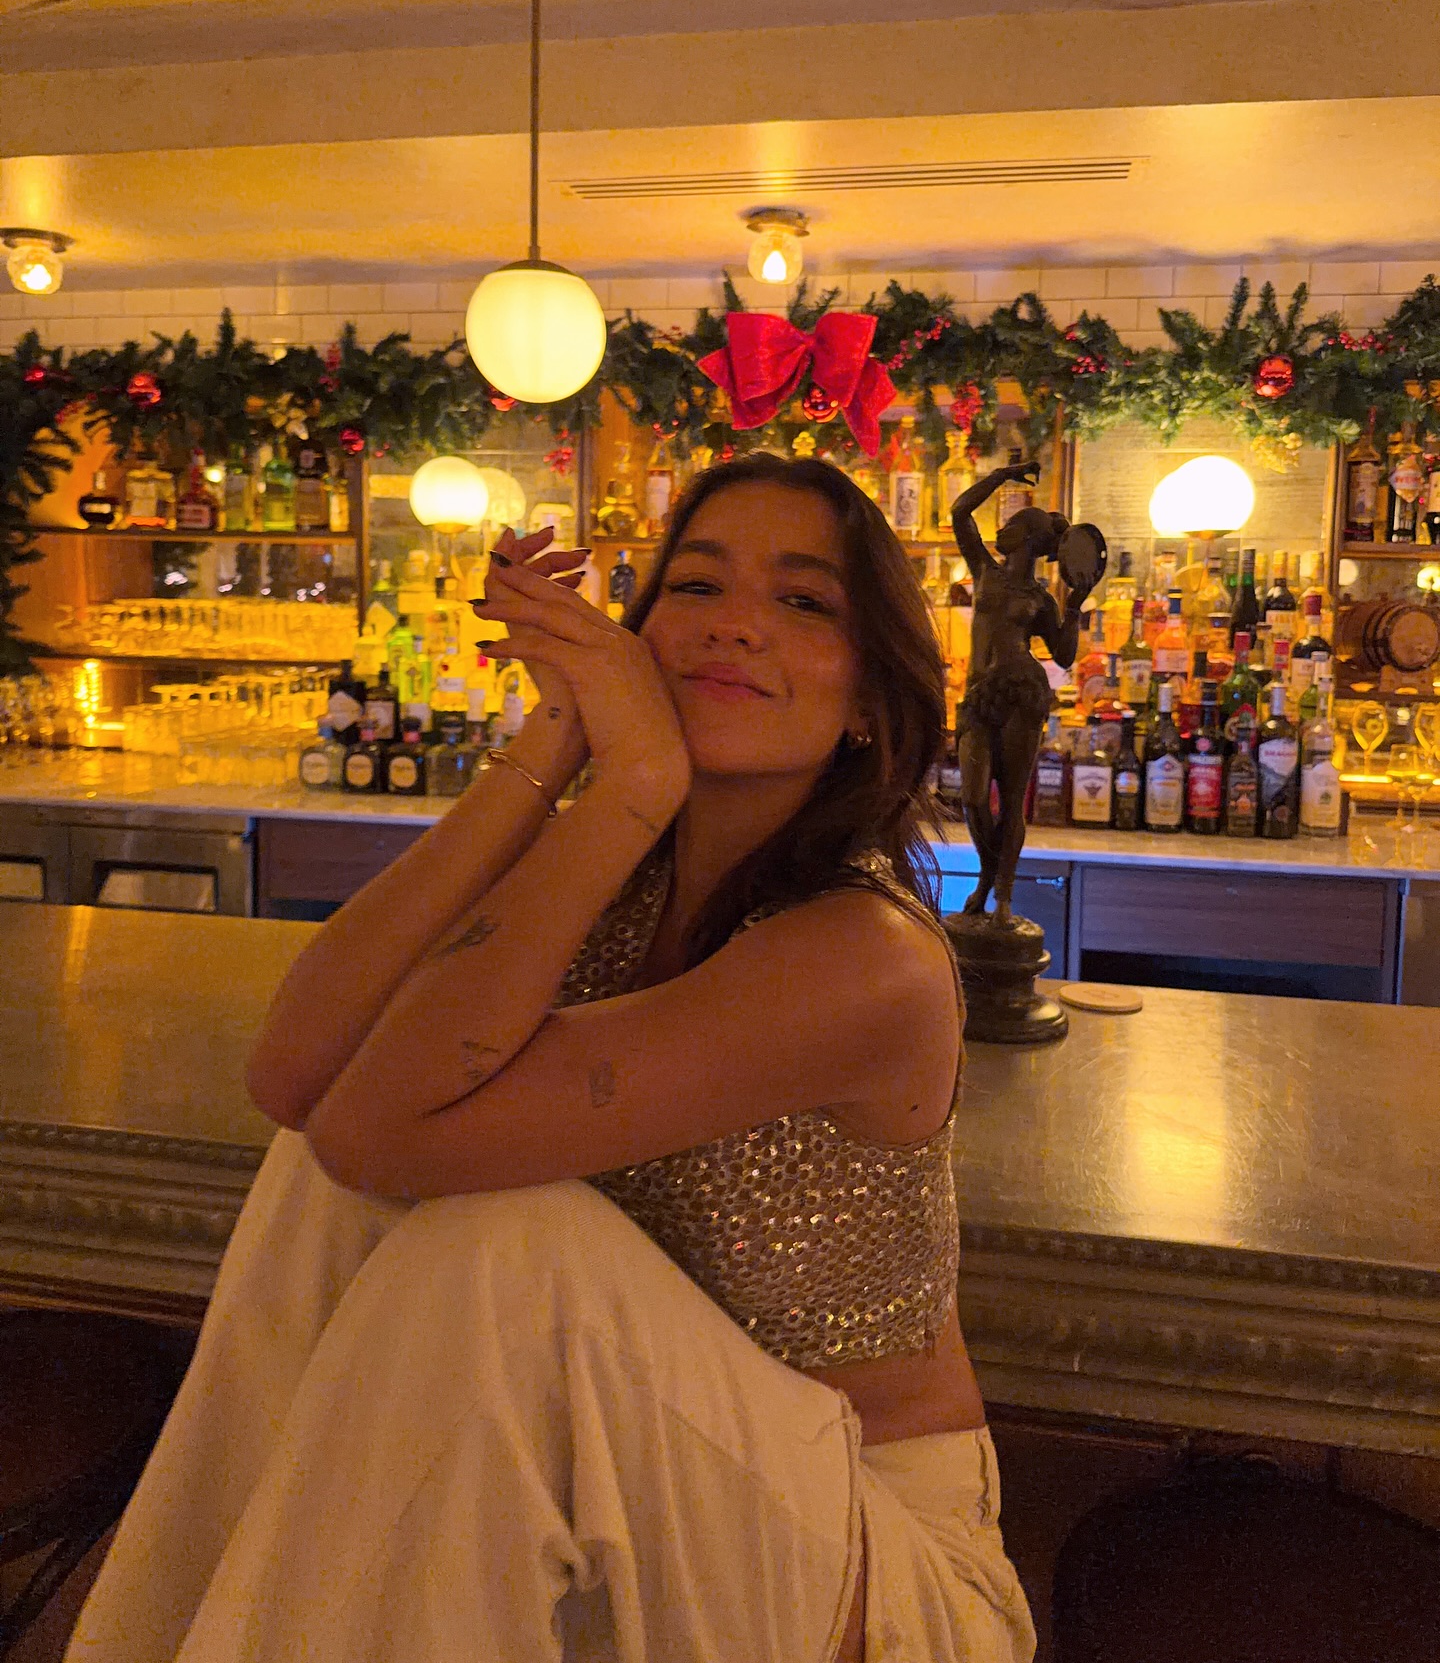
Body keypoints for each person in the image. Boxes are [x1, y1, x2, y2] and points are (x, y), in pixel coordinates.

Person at [66, 454, 1035, 1663]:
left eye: (802, 601)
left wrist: (633, 778)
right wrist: (566, 740)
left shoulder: (861, 956)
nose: (735, 623)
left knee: (508, 1248)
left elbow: (374, 1130)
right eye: (696, 586)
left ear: (869, 707)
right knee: (318, 1187)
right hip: (642, 1485)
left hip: (879, 1563)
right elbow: (301, 1079)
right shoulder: (614, 870)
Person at [949, 462, 1085, 924]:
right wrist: (1003, 474)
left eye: (1010, 526)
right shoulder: (985, 571)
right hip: (979, 693)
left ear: (1026, 538)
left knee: (1011, 800)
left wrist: (1075, 607)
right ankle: (989, 873)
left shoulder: (1041, 600)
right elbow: (960, 512)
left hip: (1022, 692)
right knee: (972, 797)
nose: (1000, 530)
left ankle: (1001, 895)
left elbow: (1063, 656)